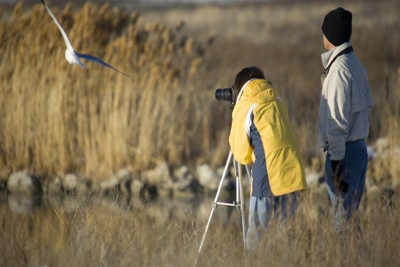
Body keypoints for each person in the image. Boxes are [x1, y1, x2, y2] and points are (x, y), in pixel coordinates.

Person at [229, 66, 307, 251]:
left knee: (257, 233)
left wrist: (249, 153)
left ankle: (253, 262)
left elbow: (240, 154)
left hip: (267, 170)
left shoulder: (246, 104)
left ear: (239, 88)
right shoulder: (276, 99)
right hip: (291, 167)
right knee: (286, 232)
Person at [318, 7, 373, 233]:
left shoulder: (339, 70)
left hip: (345, 154)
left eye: (324, 31)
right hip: (358, 149)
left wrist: (337, 164)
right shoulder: (354, 64)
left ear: (330, 35)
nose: (321, 36)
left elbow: (337, 121)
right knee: (350, 220)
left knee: (344, 225)